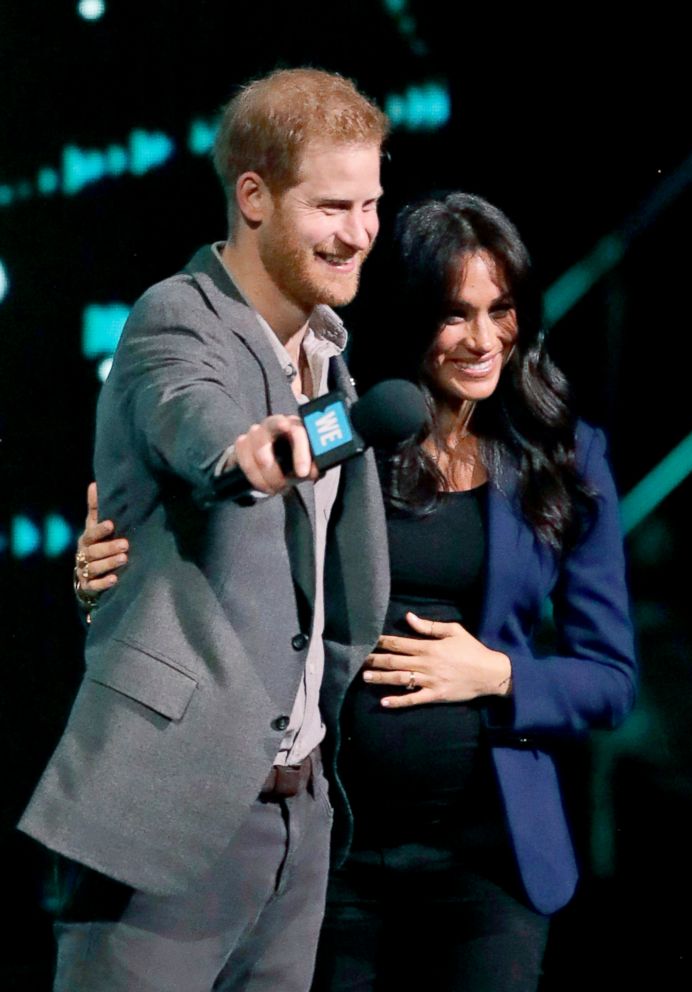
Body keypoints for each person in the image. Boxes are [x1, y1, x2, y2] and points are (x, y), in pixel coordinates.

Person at [78, 192, 637, 992]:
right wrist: (108, 575)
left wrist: (499, 675)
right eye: (454, 315)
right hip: (329, 860)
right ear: (410, 317)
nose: (483, 340)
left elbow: (609, 679)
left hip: (486, 869)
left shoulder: (567, 457)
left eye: (501, 309)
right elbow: (223, 542)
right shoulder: (352, 428)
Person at [19, 68, 391, 992]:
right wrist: (249, 453)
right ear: (254, 197)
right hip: (169, 815)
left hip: (298, 821)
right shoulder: (173, 319)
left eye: (372, 204)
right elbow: (199, 421)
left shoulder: (327, 353)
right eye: (333, 206)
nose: (358, 233)